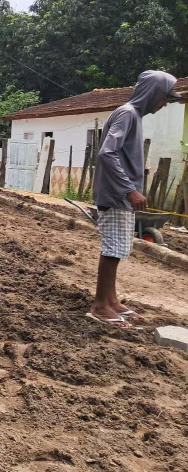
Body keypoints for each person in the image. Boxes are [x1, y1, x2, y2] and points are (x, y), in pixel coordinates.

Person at [89, 70, 183, 326]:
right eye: (164, 98)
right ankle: (100, 305)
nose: (164, 104)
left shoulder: (133, 117)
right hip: (116, 195)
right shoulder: (127, 114)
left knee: (118, 248)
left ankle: (111, 299)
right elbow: (107, 153)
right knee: (112, 250)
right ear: (154, 94)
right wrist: (130, 189)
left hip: (121, 197)